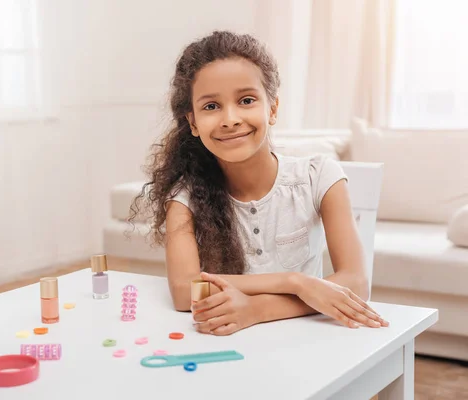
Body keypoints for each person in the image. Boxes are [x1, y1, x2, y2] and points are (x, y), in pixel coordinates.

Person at [129, 31, 389, 336]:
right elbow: (185, 291)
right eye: (211, 106)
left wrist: (260, 309)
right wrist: (295, 282)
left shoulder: (319, 177)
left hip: (311, 340)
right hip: (223, 344)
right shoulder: (184, 198)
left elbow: (356, 283)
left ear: (273, 108)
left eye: (246, 100)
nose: (230, 118)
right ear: (193, 122)